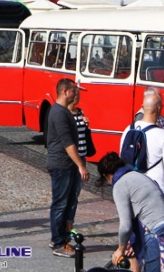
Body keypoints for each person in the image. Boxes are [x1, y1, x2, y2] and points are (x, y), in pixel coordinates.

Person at [96, 152, 164, 271]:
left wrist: (120, 249)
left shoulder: (119, 185)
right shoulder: (139, 176)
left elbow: (125, 226)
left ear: (106, 175)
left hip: (157, 234)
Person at [46, 78, 90, 258]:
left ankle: (61, 237)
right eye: (73, 91)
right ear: (65, 92)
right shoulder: (59, 113)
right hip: (61, 164)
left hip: (66, 165)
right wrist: (81, 166)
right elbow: (67, 143)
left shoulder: (63, 111)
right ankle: (58, 243)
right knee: (60, 204)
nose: (76, 94)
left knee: (67, 202)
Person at [124, 93, 164, 206]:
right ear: (159, 108)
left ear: (142, 106)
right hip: (156, 189)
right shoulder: (163, 136)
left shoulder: (128, 130)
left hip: (132, 187)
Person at [66, 86, 90, 240]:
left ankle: (70, 224)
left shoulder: (80, 112)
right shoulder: (65, 114)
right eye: (76, 95)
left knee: (75, 194)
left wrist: (86, 122)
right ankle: (65, 227)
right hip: (70, 160)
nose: (78, 97)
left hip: (82, 156)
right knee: (66, 195)